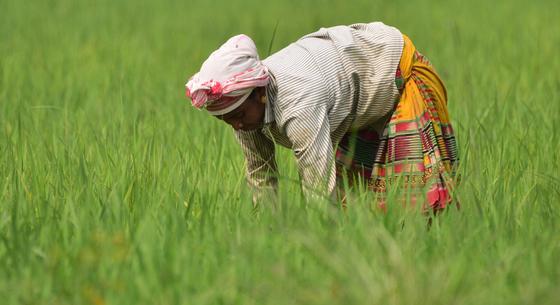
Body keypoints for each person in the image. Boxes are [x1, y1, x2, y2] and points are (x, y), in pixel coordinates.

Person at [185, 22, 459, 211]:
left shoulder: (297, 101)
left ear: (260, 93)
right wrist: (265, 239)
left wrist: (312, 245)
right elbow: (261, 176)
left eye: (239, 115)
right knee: (361, 208)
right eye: (226, 120)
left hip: (397, 72)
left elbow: (317, 185)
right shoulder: (244, 113)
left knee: (419, 203)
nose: (237, 124)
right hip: (354, 103)